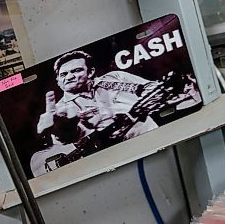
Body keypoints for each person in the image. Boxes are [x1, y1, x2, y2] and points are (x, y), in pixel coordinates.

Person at [30, 51, 163, 177]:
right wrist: (62, 136)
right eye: (64, 74)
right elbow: (58, 141)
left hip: (152, 147)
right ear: (58, 81)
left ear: (91, 72)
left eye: (76, 70)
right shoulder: (60, 110)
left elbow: (154, 90)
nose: (70, 77)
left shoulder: (114, 78)